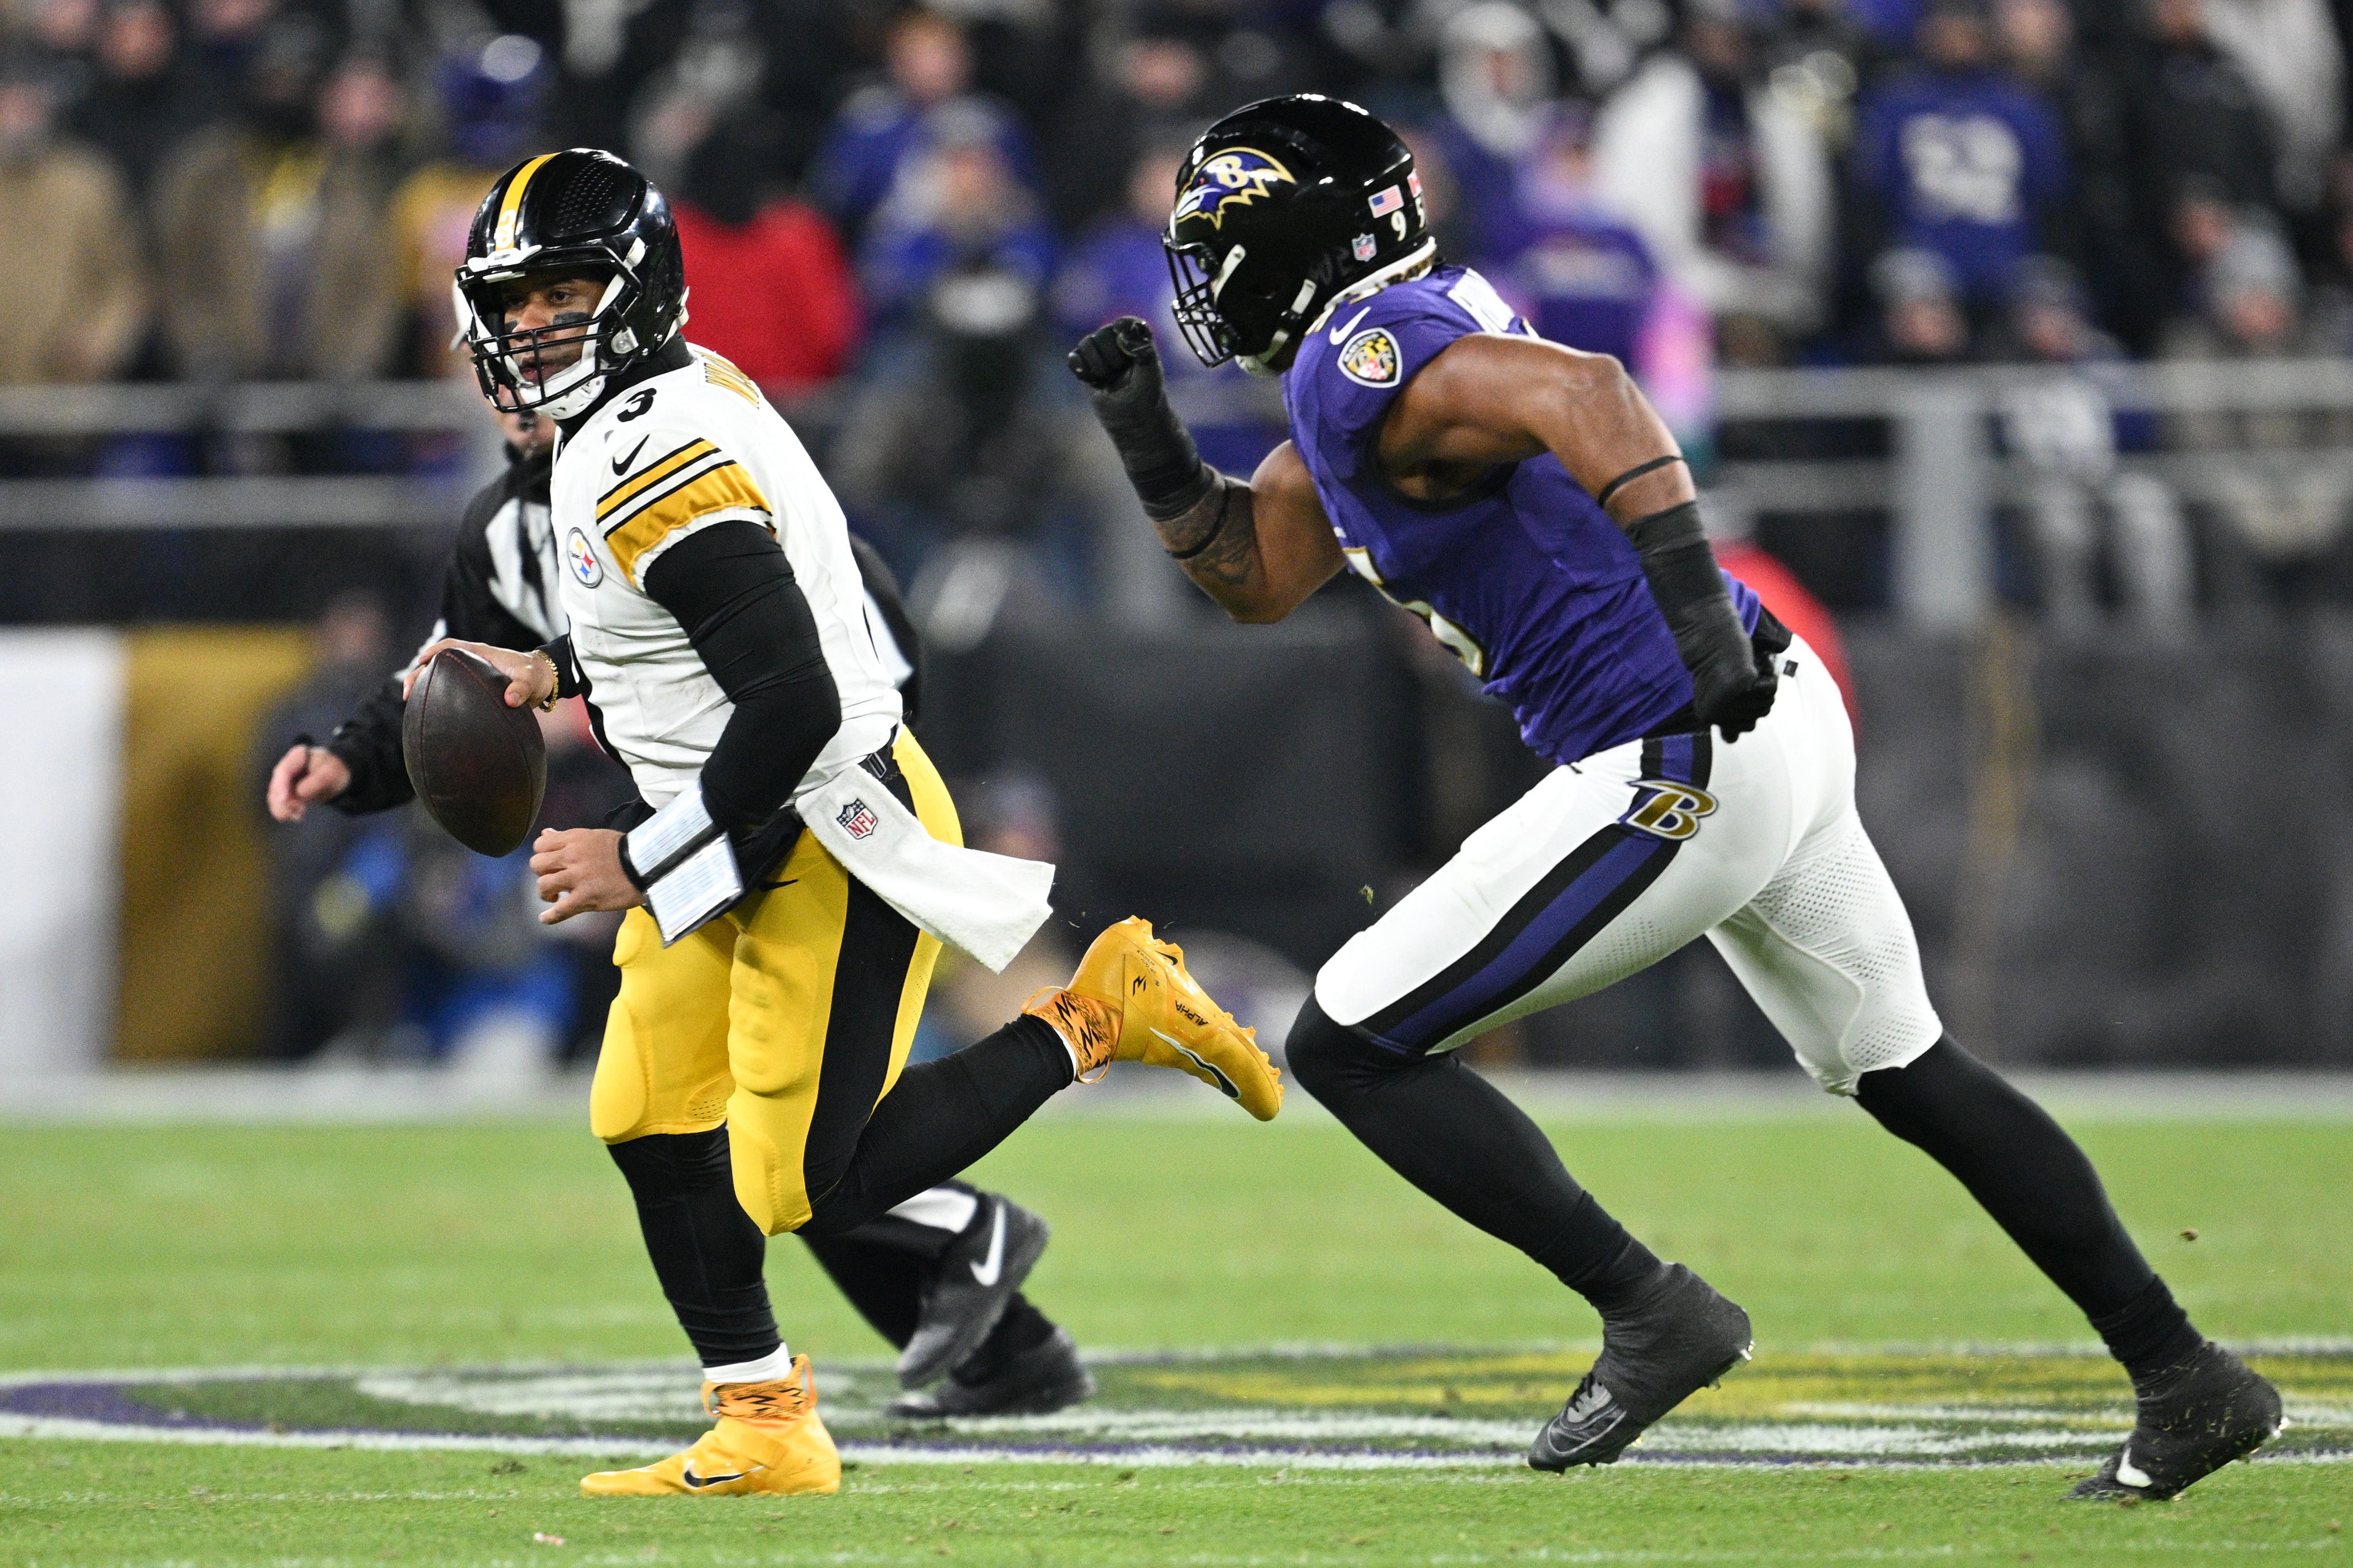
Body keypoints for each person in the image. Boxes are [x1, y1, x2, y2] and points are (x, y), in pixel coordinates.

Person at [1068, 93, 2281, 1501]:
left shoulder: (1362, 355)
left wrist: (1695, 607)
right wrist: (1150, 442)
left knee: (1347, 1041)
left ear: (1296, 243)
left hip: (1678, 742)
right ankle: (2184, 1374)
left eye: (1221, 248)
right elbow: (1259, 575)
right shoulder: (1378, 358)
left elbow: (1595, 395)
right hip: (1765, 723)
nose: (1205, 286)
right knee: (1905, 1070)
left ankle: (1649, 1307)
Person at [410, 149, 1281, 1499]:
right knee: (647, 1114)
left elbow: (795, 700)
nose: (530, 323)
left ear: (638, 291)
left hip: (821, 815)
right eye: (513, 298)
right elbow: (715, 630)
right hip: (733, 815)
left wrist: (636, 854)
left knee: (804, 1177)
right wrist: (565, 669)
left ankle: (1104, 1009)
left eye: (565, 288)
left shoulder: (650, 452)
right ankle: (763, 1422)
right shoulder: (636, 421)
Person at [264, 399, 1103, 1421]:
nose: (536, 369)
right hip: (692, 824)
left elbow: (839, 671)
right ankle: (976, 1349)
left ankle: (1058, 1075)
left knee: (785, 1148)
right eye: (516, 322)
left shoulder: (687, 477)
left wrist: (659, 847)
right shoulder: (508, 523)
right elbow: (447, 669)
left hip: (821, 806)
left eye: (562, 316)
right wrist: (353, 756)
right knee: (676, 1123)